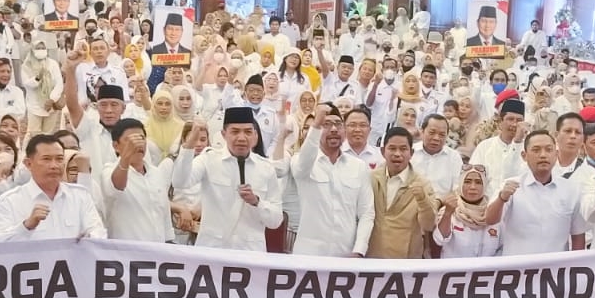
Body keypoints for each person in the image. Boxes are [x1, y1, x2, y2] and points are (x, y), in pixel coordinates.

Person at [173, 106, 283, 252]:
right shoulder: (209, 159)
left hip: (250, 253)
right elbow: (180, 182)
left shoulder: (266, 168)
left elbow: (276, 220)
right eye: (235, 132)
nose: (241, 138)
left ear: (255, 135)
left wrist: (257, 202)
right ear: (224, 134)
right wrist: (189, 145)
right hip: (213, 250)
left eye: (248, 132)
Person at [0, 134, 106, 242]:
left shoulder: (80, 196)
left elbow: (99, 232)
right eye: (46, 159)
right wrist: (26, 226)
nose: (54, 165)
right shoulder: (9, 201)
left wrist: (90, 238)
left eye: (59, 159)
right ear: (28, 164)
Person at [291, 104, 375, 257]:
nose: (334, 129)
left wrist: (359, 250)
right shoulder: (301, 162)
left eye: (338, 124)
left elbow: (366, 212)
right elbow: (303, 163)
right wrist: (316, 124)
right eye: (327, 124)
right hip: (309, 256)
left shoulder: (359, 166)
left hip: (346, 255)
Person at [486, 130, 588, 254]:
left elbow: (578, 235)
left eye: (548, 150)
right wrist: (501, 199)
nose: (543, 155)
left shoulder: (571, 190)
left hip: (556, 265)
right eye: (536, 150)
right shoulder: (511, 186)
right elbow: (490, 220)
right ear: (524, 156)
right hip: (518, 264)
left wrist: (576, 263)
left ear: (556, 154)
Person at [103, 119, 176, 242]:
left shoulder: (156, 173)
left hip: (158, 250)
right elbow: (117, 186)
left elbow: (164, 216)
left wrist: (168, 241)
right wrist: (126, 157)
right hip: (127, 251)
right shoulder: (109, 171)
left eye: (141, 138)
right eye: (130, 140)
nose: (137, 144)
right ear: (116, 146)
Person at [369, 127, 436, 259]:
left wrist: (423, 200)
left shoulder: (422, 184)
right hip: (372, 257)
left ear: (411, 153)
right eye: (392, 148)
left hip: (406, 261)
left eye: (403, 149)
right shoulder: (371, 178)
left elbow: (429, 225)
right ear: (382, 151)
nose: (397, 154)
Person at [434, 164, 500, 258]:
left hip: (487, 267)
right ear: (461, 184)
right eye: (467, 182)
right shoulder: (450, 209)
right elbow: (440, 240)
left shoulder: (495, 211)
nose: (473, 187)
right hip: (456, 267)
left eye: (478, 182)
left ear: (485, 185)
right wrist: (447, 214)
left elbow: (502, 247)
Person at [412, 114, 461, 198]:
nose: (436, 138)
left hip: (442, 204)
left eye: (442, 135)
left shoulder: (454, 157)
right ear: (422, 131)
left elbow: (457, 188)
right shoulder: (410, 152)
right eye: (432, 133)